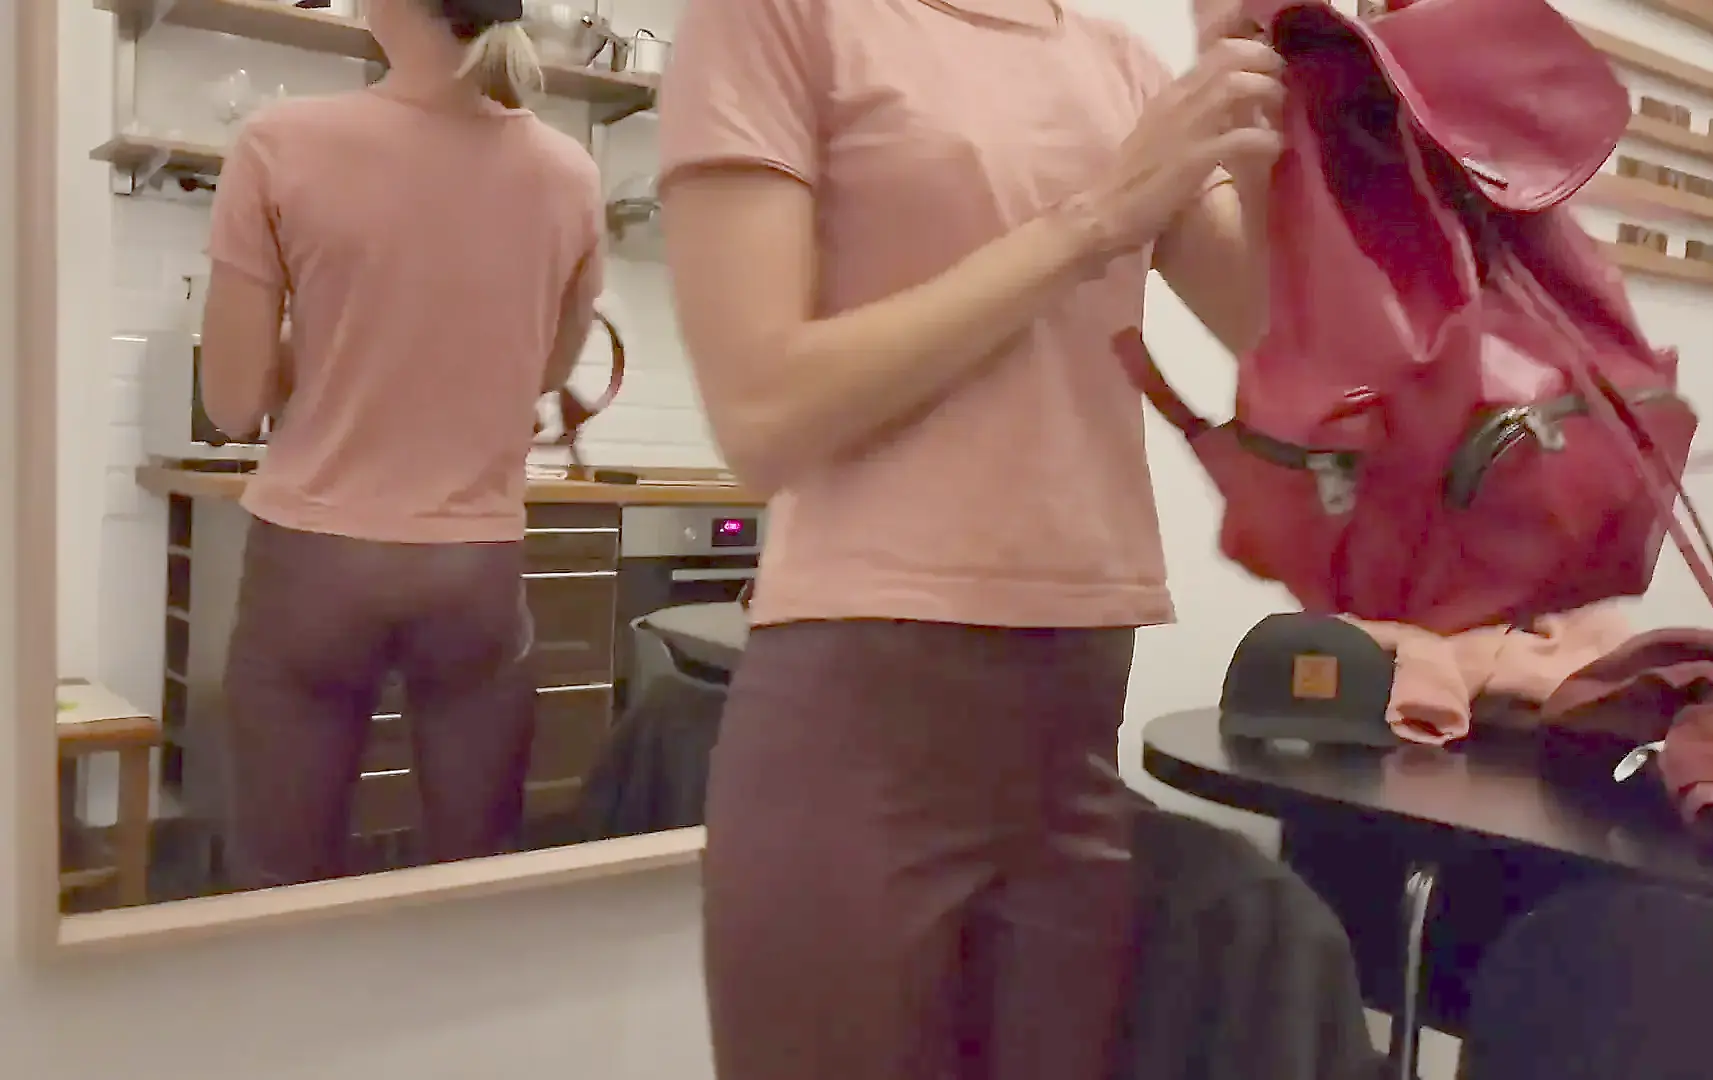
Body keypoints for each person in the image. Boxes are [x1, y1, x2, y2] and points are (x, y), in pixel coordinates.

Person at [656, 1, 1284, 1077]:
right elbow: (762, 414)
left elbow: (1289, 351)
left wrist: (1274, 115)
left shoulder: (1124, 70)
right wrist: (1096, 219)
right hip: (861, 708)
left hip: (1075, 700)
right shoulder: (780, 17)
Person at [196, 0, 604, 888]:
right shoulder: (571, 174)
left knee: (281, 890)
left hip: (313, 564)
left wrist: (330, 333)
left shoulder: (279, 145)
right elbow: (545, 369)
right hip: (474, 569)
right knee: (472, 884)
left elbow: (231, 402)